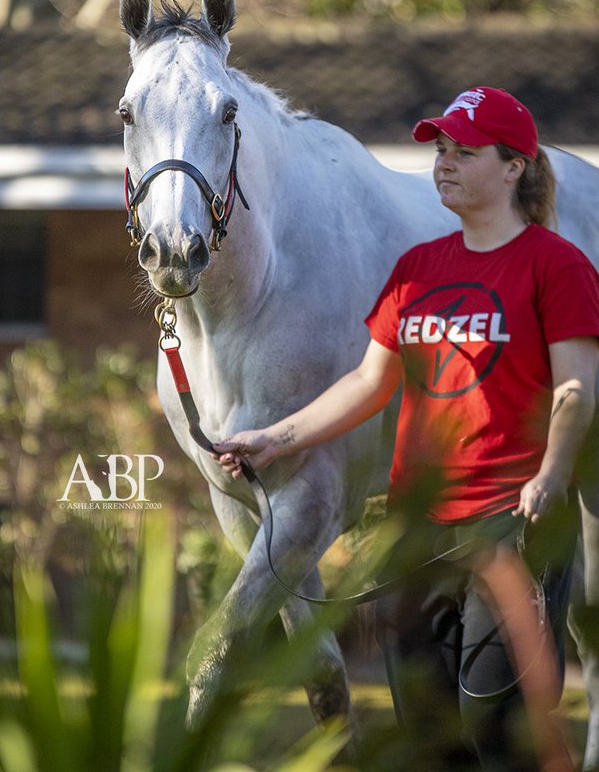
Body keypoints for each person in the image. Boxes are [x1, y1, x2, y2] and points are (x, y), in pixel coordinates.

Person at [214, 86, 599, 771]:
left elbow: (577, 386)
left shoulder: (555, 264)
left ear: (514, 167)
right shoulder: (417, 270)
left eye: (465, 152)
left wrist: (550, 474)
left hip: (511, 524)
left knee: (496, 730)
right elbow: (368, 383)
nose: (444, 164)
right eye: (441, 149)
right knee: (426, 737)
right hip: (415, 533)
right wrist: (279, 438)